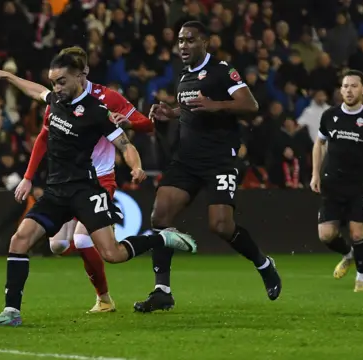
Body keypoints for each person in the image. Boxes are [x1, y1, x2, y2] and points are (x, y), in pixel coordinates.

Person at [0, 53, 197, 327]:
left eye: (61, 82)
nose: (56, 88)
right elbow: (36, 91)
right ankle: (11, 312)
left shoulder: (96, 111)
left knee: (112, 254)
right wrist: (8, 76)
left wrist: (136, 166)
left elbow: (125, 144)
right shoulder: (56, 100)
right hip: (56, 192)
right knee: (19, 240)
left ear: (79, 78)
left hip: (85, 191)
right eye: (53, 82)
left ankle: (161, 239)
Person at [134, 21, 282, 313]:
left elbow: (250, 105)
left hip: (219, 159)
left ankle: (264, 264)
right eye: (180, 41)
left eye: (190, 40)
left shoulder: (222, 70)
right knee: (160, 217)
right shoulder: (184, 77)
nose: (183, 46)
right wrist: (171, 113)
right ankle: (162, 291)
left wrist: (216, 104)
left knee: (221, 226)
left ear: (205, 42)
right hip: (187, 159)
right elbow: (192, 110)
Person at [15, 46, 154, 314]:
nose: (58, 84)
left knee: (83, 241)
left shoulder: (106, 98)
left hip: (100, 179)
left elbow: (145, 124)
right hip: (68, 179)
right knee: (57, 245)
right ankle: (103, 282)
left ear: (83, 72)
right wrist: (28, 177)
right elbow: (44, 136)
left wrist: (126, 121)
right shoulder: (60, 98)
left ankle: (103, 298)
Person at [310, 69, 363, 293]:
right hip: (332, 182)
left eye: (354, 86)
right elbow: (319, 144)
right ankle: (348, 254)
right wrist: (315, 173)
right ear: (340, 90)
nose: (349, 90)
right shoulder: (329, 116)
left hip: (359, 184)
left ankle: (362, 278)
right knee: (326, 235)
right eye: (345, 86)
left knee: (357, 232)